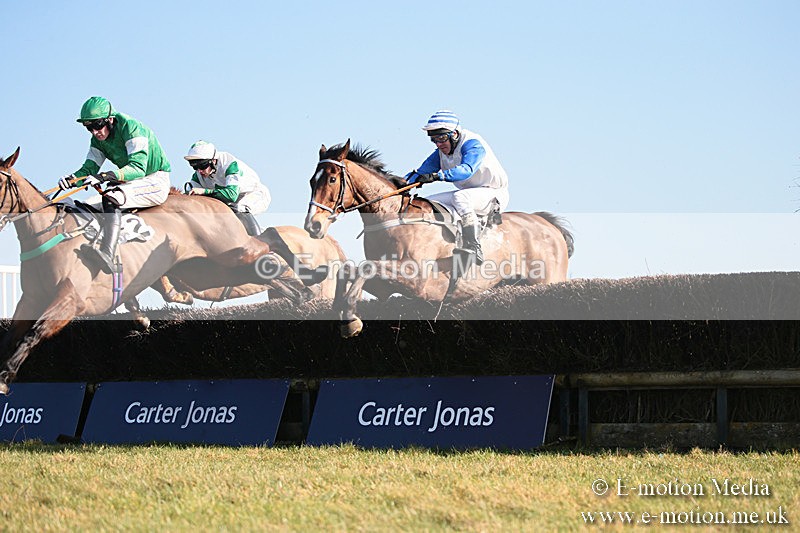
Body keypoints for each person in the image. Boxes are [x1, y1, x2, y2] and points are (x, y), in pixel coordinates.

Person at [59, 96, 171, 273]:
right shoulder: (97, 140)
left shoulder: (132, 128)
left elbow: (138, 169)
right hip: (131, 183)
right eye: (89, 128)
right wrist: (72, 179)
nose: (95, 132)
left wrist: (103, 177)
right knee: (86, 205)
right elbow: (89, 168)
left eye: (97, 125)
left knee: (111, 197)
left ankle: (108, 254)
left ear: (109, 120)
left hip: (154, 181)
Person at [405, 110, 509, 264]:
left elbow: (466, 170)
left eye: (441, 138)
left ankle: (474, 247)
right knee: (425, 203)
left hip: (493, 193)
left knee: (460, 197)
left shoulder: (473, 144)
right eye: (434, 140)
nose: (439, 144)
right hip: (470, 193)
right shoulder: (441, 151)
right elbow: (421, 172)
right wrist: (398, 184)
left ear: (454, 134)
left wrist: (438, 176)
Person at [183, 141, 272, 235]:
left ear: (213, 160)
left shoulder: (229, 164)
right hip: (230, 203)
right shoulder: (198, 175)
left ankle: (259, 243)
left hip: (254, 195)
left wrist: (204, 191)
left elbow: (231, 195)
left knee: (239, 209)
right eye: (195, 166)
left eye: (202, 165)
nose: (199, 171)